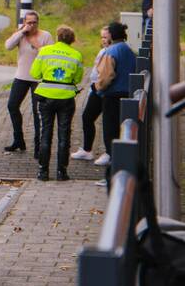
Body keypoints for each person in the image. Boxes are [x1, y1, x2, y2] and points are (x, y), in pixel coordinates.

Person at [31, 26, 84, 181]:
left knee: (45, 133)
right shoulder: (76, 55)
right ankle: (62, 172)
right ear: (72, 39)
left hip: (46, 97)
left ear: (57, 37)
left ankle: (43, 172)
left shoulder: (45, 51)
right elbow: (78, 79)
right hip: (66, 99)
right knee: (64, 135)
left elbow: (34, 73)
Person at [3, 11, 53, 155]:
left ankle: (38, 146)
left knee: (37, 112)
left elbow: (50, 55)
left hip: (38, 79)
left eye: (34, 22)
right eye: (28, 22)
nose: (31, 25)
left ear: (38, 23)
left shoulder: (46, 36)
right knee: (12, 106)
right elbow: (8, 46)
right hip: (21, 76)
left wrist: (35, 43)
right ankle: (18, 140)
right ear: (24, 23)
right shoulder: (21, 34)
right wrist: (21, 32)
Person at [94, 21, 137, 182]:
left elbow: (106, 76)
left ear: (111, 35)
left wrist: (98, 88)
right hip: (127, 94)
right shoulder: (128, 50)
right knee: (122, 131)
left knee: (110, 133)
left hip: (112, 96)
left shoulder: (111, 51)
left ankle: (112, 175)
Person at [71, 26, 111, 162]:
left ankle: (109, 153)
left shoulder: (111, 52)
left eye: (105, 37)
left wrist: (97, 86)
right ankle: (87, 150)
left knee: (107, 122)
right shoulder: (103, 51)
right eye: (102, 37)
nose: (103, 40)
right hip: (96, 89)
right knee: (87, 117)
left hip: (103, 90)